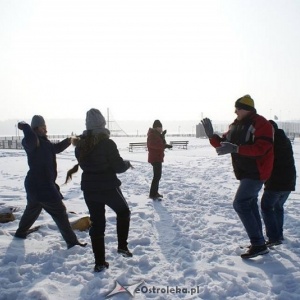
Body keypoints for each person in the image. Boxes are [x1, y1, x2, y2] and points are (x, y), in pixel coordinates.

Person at [201, 95, 274, 259]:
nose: (235, 111)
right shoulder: (235, 125)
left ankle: (259, 244)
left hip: (257, 171)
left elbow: (262, 148)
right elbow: (223, 145)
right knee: (250, 203)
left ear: (247, 109)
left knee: (240, 203)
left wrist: (236, 149)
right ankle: (259, 241)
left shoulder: (262, 124)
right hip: (245, 171)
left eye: (238, 108)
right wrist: (212, 136)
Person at [65, 108, 133, 272]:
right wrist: (127, 163)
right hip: (108, 187)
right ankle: (122, 247)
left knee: (97, 223)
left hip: (90, 189)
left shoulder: (80, 146)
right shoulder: (107, 143)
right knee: (124, 212)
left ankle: (100, 262)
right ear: (102, 123)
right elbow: (117, 166)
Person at [15, 115, 86, 249]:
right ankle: (72, 243)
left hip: (36, 186)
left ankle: (20, 233)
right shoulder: (31, 142)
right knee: (60, 212)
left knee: (32, 211)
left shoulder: (44, 143)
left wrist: (70, 140)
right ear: (36, 128)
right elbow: (30, 138)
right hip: (43, 187)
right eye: (43, 127)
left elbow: (57, 148)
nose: (46, 130)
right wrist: (25, 126)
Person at [261, 120, 296, 246]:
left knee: (266, 207)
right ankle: (278, 235)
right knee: (278, 207)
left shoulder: (271, 142)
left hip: (275, 183)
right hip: (289, 182)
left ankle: (273, 237)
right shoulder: (284, 140)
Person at [147, 120, 172, 200]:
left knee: (157, 176)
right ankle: (153, 194)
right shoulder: (152, 135)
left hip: (158, 157)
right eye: (160, 127)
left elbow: (161, 142)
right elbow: (152, 145)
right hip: (155, 158)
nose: (161, 129)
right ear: (156, 127)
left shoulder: (157, 134)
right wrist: (164, 146)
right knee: (157, 176)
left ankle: (154, 192)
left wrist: (162, 136)